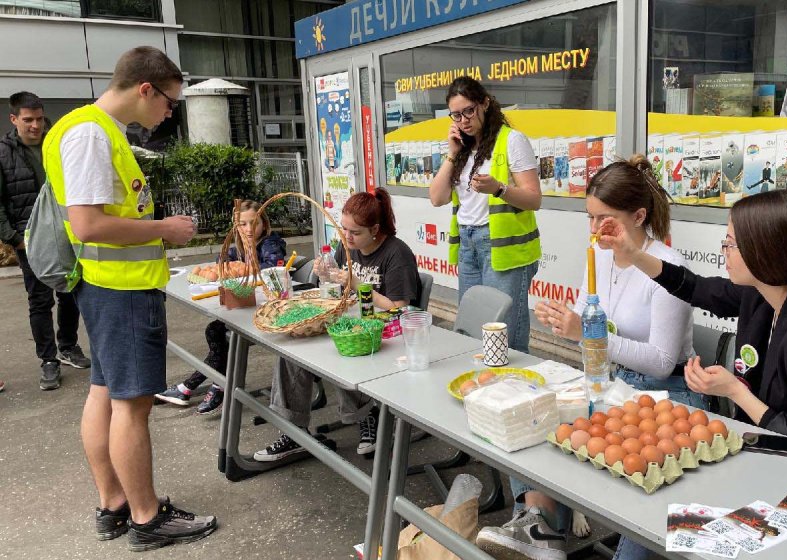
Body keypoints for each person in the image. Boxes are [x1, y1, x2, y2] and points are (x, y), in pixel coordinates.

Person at [599, 189, 787, 560]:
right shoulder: (766, 293)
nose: (723, 252)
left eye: (730, 244)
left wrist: (735, 391)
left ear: (765, 252)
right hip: (776, 471)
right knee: (664, 505)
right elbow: (698, 288)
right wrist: (633, 254)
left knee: (678, 518)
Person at [475, 156, 703, 560]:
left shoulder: (669, 267)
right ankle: (538, 526)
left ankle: (553, 532)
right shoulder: (599, 255)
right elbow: (587, 326)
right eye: (590, 218)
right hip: (609, 381)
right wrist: (567, 324)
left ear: (638, 216)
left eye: (604, 220)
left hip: (666, 394)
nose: (596, 230)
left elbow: (662, 361)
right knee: (528, 419)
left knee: (638, 468)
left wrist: (588, 332)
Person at [48, 46, 216, 551]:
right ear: (146, 89)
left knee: (105, 393)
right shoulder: (91, 135)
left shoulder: (91, 129)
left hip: (106, 288)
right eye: (169, 102)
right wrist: (162, 229)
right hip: (120, 292)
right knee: (132, 404)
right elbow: (89, 223)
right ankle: (147, 517)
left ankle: (115, 504)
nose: (170, 113)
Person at [254, 188, 422, 461]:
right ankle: (293, 430)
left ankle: (367, 416)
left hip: (387, 334)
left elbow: (400, 309)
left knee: (343, 350)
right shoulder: (347, 249)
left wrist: (358, 285)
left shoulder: (396, 253)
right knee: (294, 349)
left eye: (354, 232)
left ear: (375, 229)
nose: (346, 237)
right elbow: (339, 295)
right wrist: (327, 276)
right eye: (343, 229)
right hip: (354, 325)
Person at [429, 76, 541, 353]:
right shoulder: (462, 150)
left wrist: (499, 189)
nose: (464, 120)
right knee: (475, 326)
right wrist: (452, 153)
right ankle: (486, 386)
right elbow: (437, 197)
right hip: (468, 245)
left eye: (469, 110)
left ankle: (514, 389)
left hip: (502, 247)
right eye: (456, 115)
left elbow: (534, 199)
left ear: (485, 103)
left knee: (504, 332)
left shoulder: (511, 140)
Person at [155, 200, 286, 414]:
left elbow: (270, 268)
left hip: (267, 312)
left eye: (254, 223)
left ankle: (203, 386)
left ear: (264, 223)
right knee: (216, 331)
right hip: (247, 308)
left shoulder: (270, 244)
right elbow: (222, 260)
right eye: (242, 225)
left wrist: (242, 266)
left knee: (219, 332)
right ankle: (210, 384)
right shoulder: (240, 247)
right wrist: (231, 260)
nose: (249, 229)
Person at [0, 91, 90, 390]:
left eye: (39, 119)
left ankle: (68, 346)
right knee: (39, 300)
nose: (35, 125)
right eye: (28, 120)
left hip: (67, 231)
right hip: (29, 238)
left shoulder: (58, 142)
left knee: (70, 291)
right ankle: (48, 360)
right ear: (14, 119)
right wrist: (14, 239)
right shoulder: (3, 152)